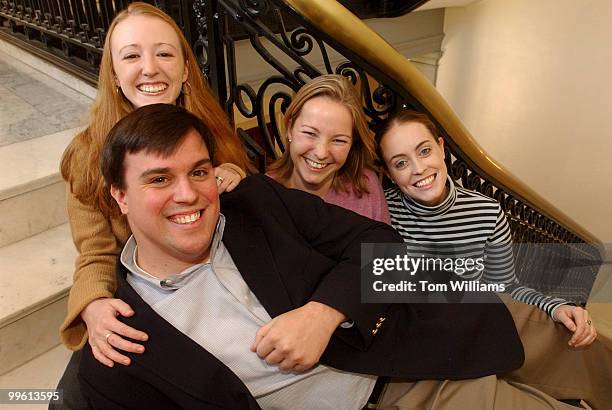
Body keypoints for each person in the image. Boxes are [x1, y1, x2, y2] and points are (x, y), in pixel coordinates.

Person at [77, 103, 581, 410]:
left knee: (557, 341)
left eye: (200, 172)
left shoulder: (260, 202)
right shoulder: (120, 332)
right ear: (118, 198)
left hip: (408, 332)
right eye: (159, 179)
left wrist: (324, 314)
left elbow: (390, 248)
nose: (188, 194)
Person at [375, 109, 611, 408]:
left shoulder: (486, 211)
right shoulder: (381, 212)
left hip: (485, 323)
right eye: (401, 162)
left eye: (424, 151)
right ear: (389, 173)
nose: (419, 168)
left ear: (442, 148)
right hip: (428, 346)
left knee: (586, 346)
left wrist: (556, 305)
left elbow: (505, 285)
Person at [58, 2, 250, 365]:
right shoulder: (85, 157)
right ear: (113, 74)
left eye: (164, 53)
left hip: (229, 287)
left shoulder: (216, 131)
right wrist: (93, 303)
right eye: (131, 56)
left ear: (185, 69)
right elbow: (95, 253)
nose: (150, 68)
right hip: (157, 301)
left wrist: (237, 178)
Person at [267, 74, 390, 223]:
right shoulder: (264, 194)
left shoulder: (366, 186)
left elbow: (386, 247)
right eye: (310, 133)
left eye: (338, 140)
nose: (321, 153)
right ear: (289, 128)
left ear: (352, 143)